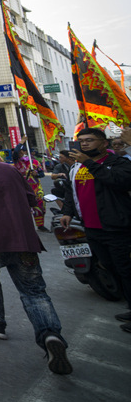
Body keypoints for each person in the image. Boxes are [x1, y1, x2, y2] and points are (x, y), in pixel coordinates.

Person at [0, 134, 71, 373]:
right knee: (34, 291)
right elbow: (32, 200)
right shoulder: (12, 171)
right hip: (23, 239)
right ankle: (50, 334)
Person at [60, 126, 131, 334]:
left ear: (104, 144)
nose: (84, 143)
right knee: (111, 267)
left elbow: (119, 181)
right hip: (91, 228)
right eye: (81, 140)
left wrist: (88, 162)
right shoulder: (76, 168)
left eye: (90, 140)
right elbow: (71, 192)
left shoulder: (117, 163)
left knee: (126, 269)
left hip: (115, 227)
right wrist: (68, 212)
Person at [14, 152, 47, 232]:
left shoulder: (34, 162)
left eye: (23, 151)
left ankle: (40, 225)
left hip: (36, 188)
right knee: (23, 208)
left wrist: (37, 174)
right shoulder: (16, 163)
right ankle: (25, 227)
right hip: (22, 188)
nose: (21, 154)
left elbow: (42, 174)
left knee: (39, 206)